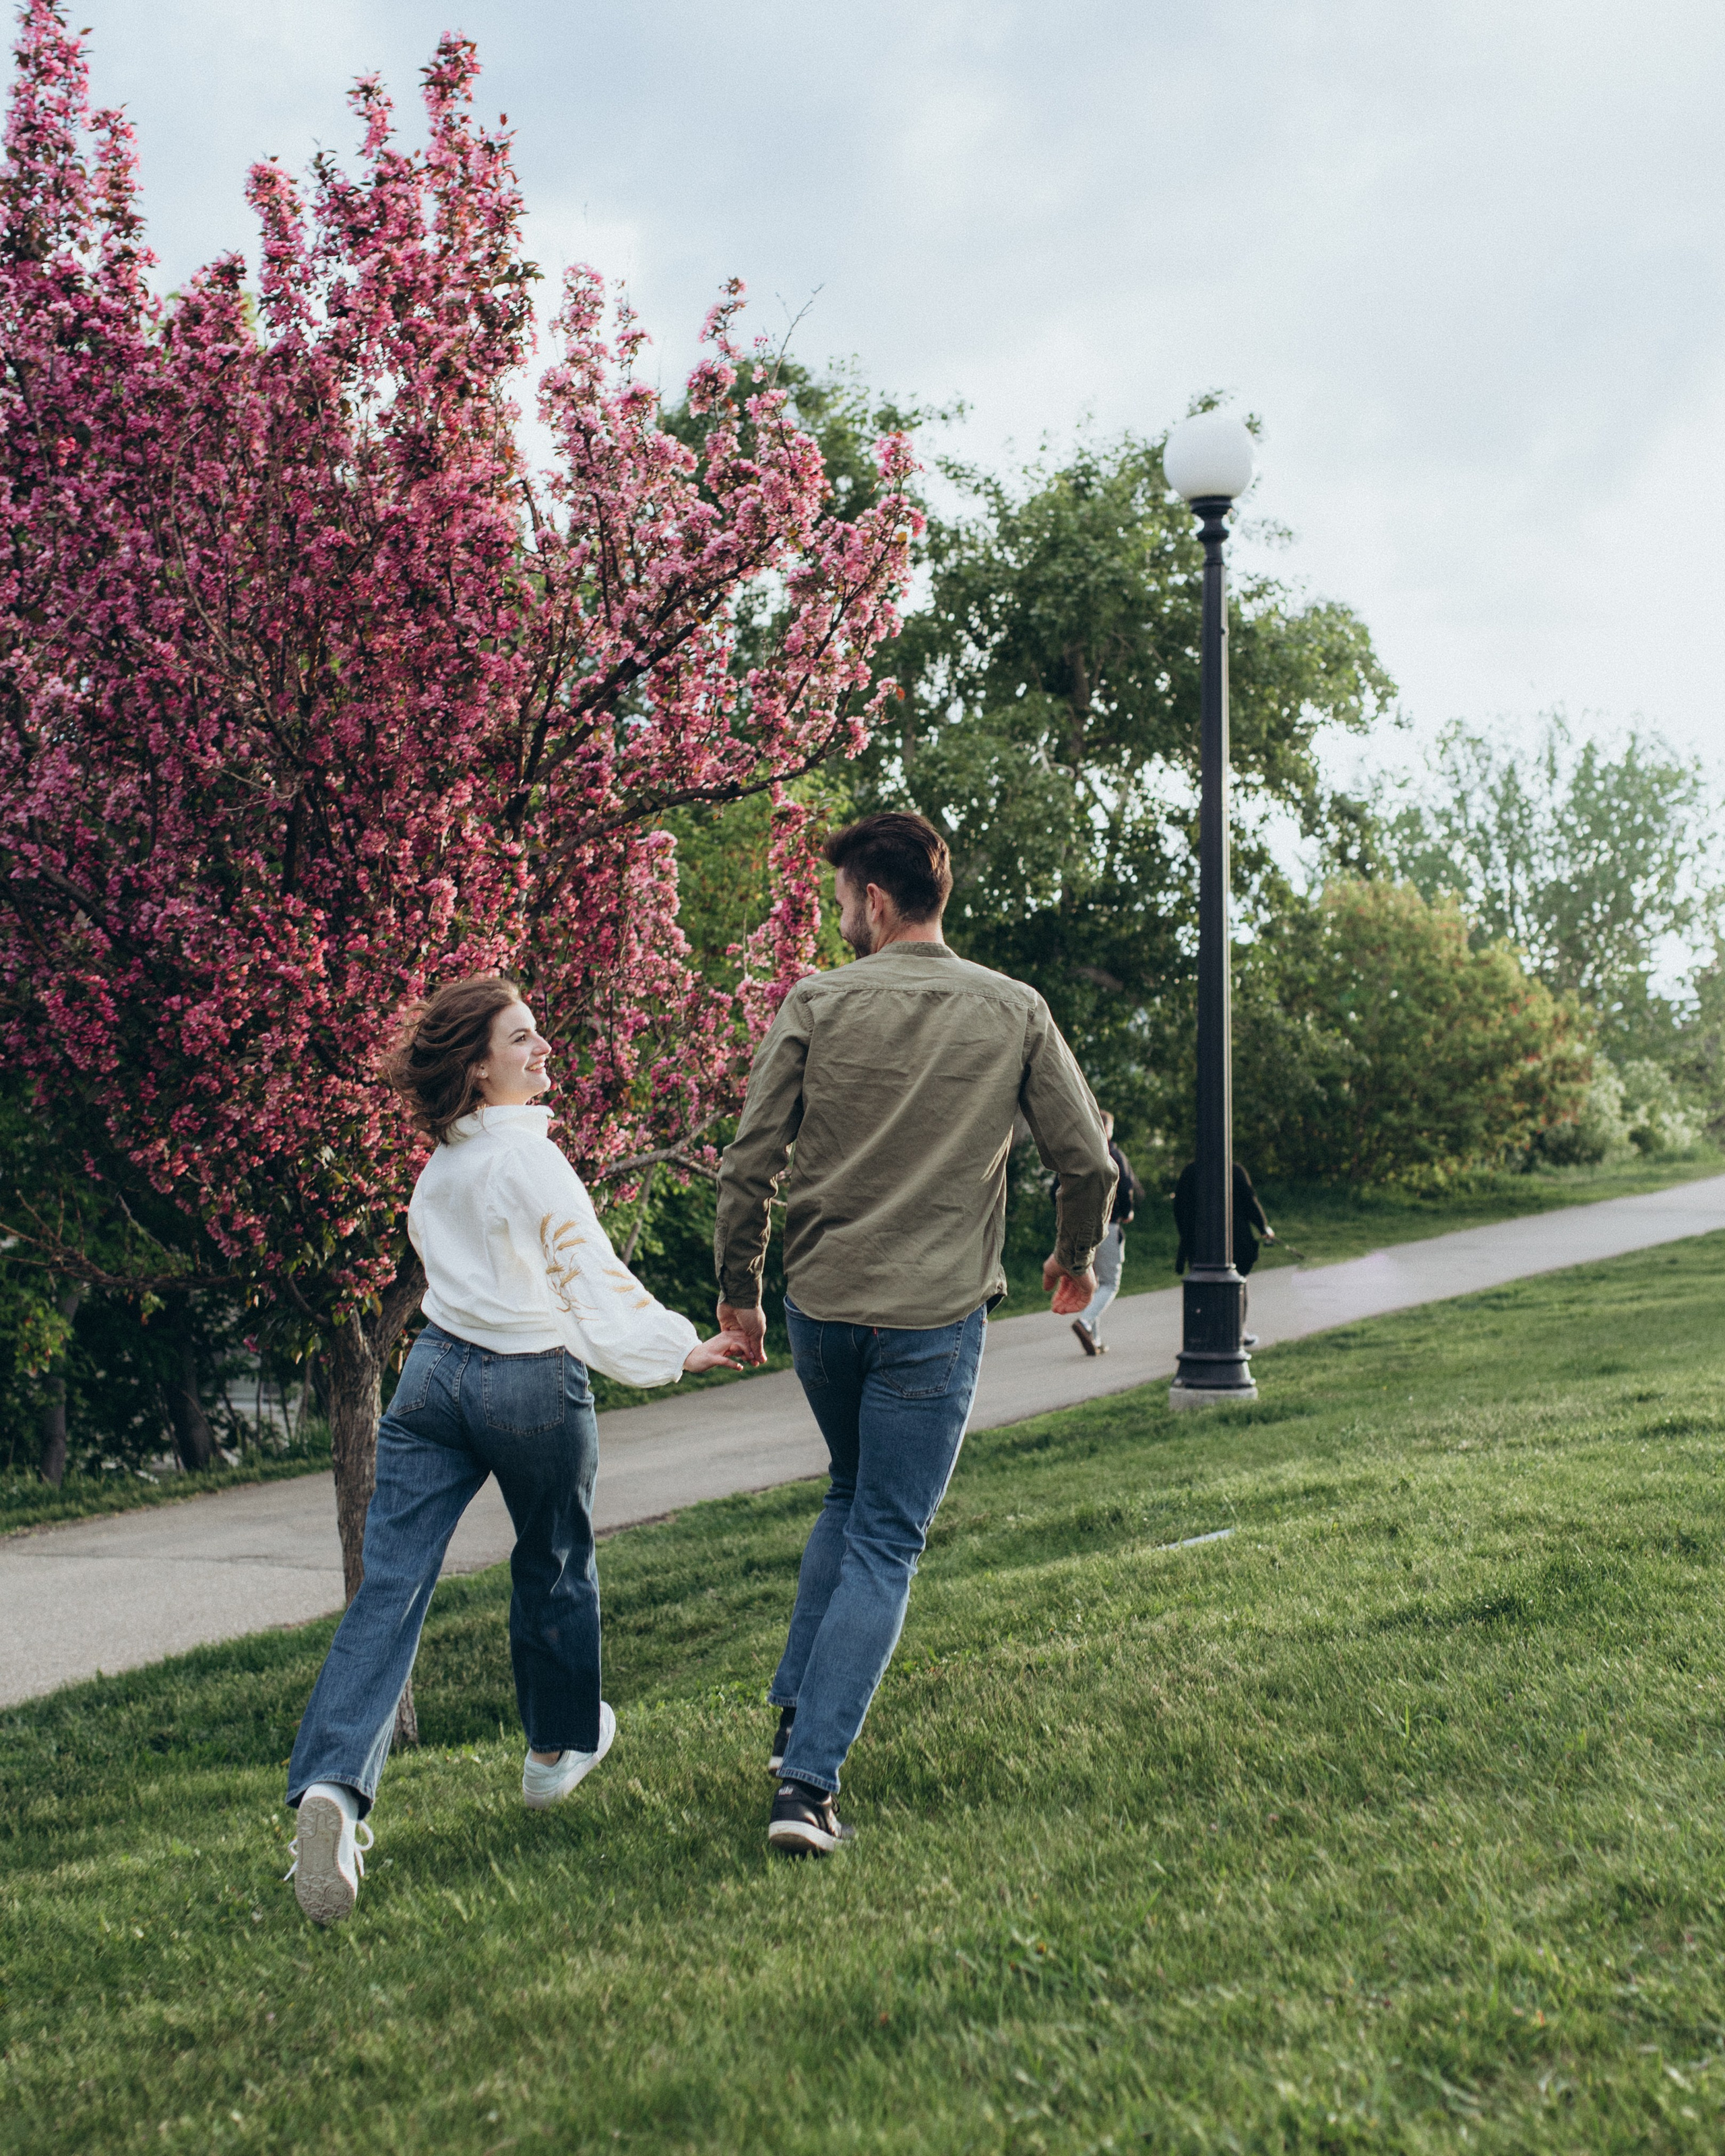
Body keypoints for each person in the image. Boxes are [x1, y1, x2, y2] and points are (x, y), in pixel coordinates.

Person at [284, 976, 747, 1926]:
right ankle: (555, 1752)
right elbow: (591, 1273)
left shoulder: (441, 1166)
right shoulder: (528, 1162)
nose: (544, 1052)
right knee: (555, 1559)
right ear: (477, 1065)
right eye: (524, 1038)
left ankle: (332, 1786)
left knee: (391, 1588)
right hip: (530, 1377)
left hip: (432, 1379)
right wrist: (677, 1346)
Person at [714, 811, 1116, 1856]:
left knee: (850, 1497)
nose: (837, 915)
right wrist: (1072, 1263)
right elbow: (1089, 1165)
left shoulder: (815, 1002)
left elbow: (748, 1165)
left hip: (824, 1312)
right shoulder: (1014, 1009)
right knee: (887, 1533)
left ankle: (800, 1711)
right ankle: (806, 1790)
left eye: (842, 898)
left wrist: (741, 1295)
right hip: (933, 1319)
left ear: (876, 901)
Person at [1172, 1159, 1276, 1346]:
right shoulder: (1234, 1171)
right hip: (1234, 1240)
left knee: (1202, 1286)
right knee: (1238, 1285)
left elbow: (1179, 1207)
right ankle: (1238, 1332)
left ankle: (1205, 1332)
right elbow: (1250, 1202)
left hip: (1198, 1241)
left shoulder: (1190, 1172)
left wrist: (1186, 1235)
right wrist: (1263, 1227)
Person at [1067, 1110, 1144, 1356]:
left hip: (1079, 1227)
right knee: (1110, 1283)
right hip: (1107, 1224)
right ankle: (1086, 1323)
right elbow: (1125, 1186)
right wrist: (1127, 1210)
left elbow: (1058, 1189)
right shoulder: (1114, 1155)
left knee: (1095, 1282)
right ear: (1109, 1129)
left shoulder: (1079, 1154)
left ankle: (1095, 1338)